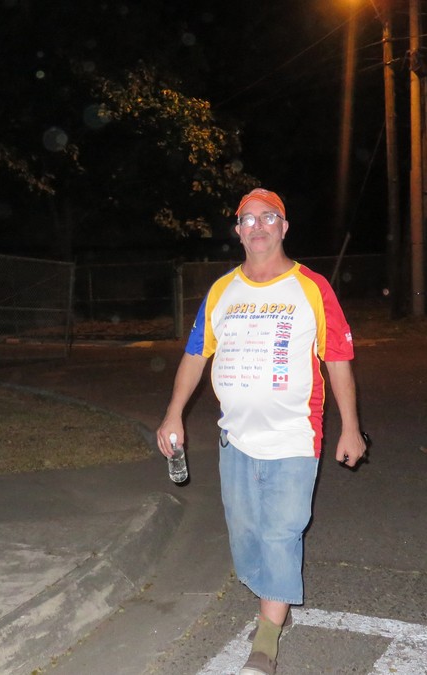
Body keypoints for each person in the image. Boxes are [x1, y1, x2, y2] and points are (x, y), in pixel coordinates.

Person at [156, 188, 367, 675]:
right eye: (247, 219)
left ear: (284, 227)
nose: (258, 226)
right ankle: (276, 596)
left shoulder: (312, 288)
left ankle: (266, 639)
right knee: (247, 535)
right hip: (235, 440)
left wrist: (351, 428)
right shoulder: (222, 290)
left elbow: (338, 360)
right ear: (237, 231)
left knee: (280, 533)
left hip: (294, 437)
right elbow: (195, 355)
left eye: (268, 218)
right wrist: (173, 414)